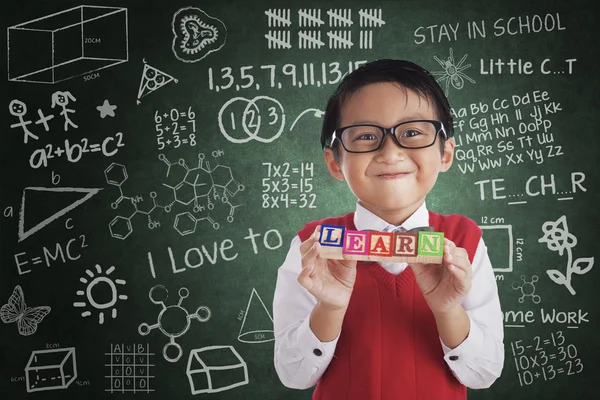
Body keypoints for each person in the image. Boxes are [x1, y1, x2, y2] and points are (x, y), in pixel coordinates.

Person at [272, 59, 504, 399]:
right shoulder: (312, 245)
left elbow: (484, 373)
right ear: (335, 162)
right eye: (366, 136)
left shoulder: (464, 241)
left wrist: (448, 310)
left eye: (412, 132)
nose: (391, 151)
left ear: (445, 153)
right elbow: (293, 376)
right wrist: (330, 308)